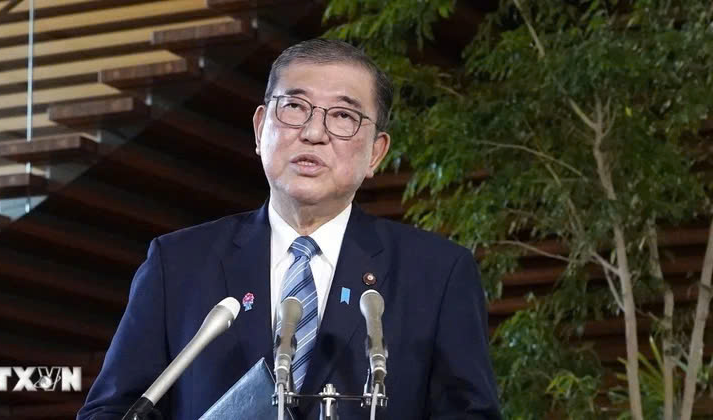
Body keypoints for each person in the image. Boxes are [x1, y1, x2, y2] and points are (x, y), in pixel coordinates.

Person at [77, 38, 501, 419]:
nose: (314, 133)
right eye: (295, 107)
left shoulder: (438, 274)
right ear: (261, 128)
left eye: (343, 116)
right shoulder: (178, 264)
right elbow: (111, 411)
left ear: (376, 153)